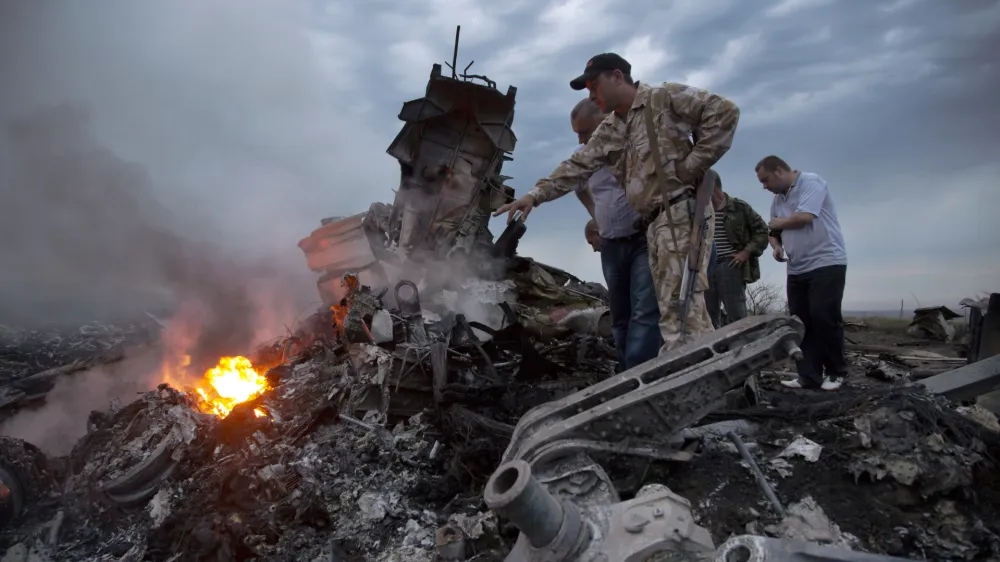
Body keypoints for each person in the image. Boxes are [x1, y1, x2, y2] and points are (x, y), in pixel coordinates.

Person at [495, 53, 740, 352]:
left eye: (594, 85)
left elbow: (725, 111)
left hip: (680, 213)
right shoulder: (611, 128)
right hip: (653, 225)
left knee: (680, 311)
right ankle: (718, 378)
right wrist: (534, 195)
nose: (591, 94)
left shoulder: (663, 98)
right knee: (687, 314)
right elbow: (576, 166)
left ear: (616, 76)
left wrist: (692, 165)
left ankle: (681, 384)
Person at [549, 99, 665, 370]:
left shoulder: (632, 145)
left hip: (642, 239)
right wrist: (596, 216)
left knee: (644, 309)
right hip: (612, 244)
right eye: (576, 133)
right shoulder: (585, 155)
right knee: (620, 314)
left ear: (605, 119)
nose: (580, 138)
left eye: (584, 131)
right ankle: (626, 373)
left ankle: (641, 374)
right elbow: (576, 186)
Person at [756, 155, 848, 391]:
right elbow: (772, 229)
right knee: (801, 322)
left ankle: (837, 372)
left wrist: (776, 225)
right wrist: (776, 246)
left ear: (778, 170)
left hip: (826, 262)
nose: (764, 187)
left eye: (765, 180)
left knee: (824, 317)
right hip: (797, 267)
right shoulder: (778, 199)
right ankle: (809, 376)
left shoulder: (811, 182)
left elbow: (804, 217)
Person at [705, 174, 769, 328]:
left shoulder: (738, 207)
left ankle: (742, 348)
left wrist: (746, 251)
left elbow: (762, 231)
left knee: (737, 315)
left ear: (713, 186)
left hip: (730, 264)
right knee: (706, 317)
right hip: (705, 267)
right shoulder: (699, 210)